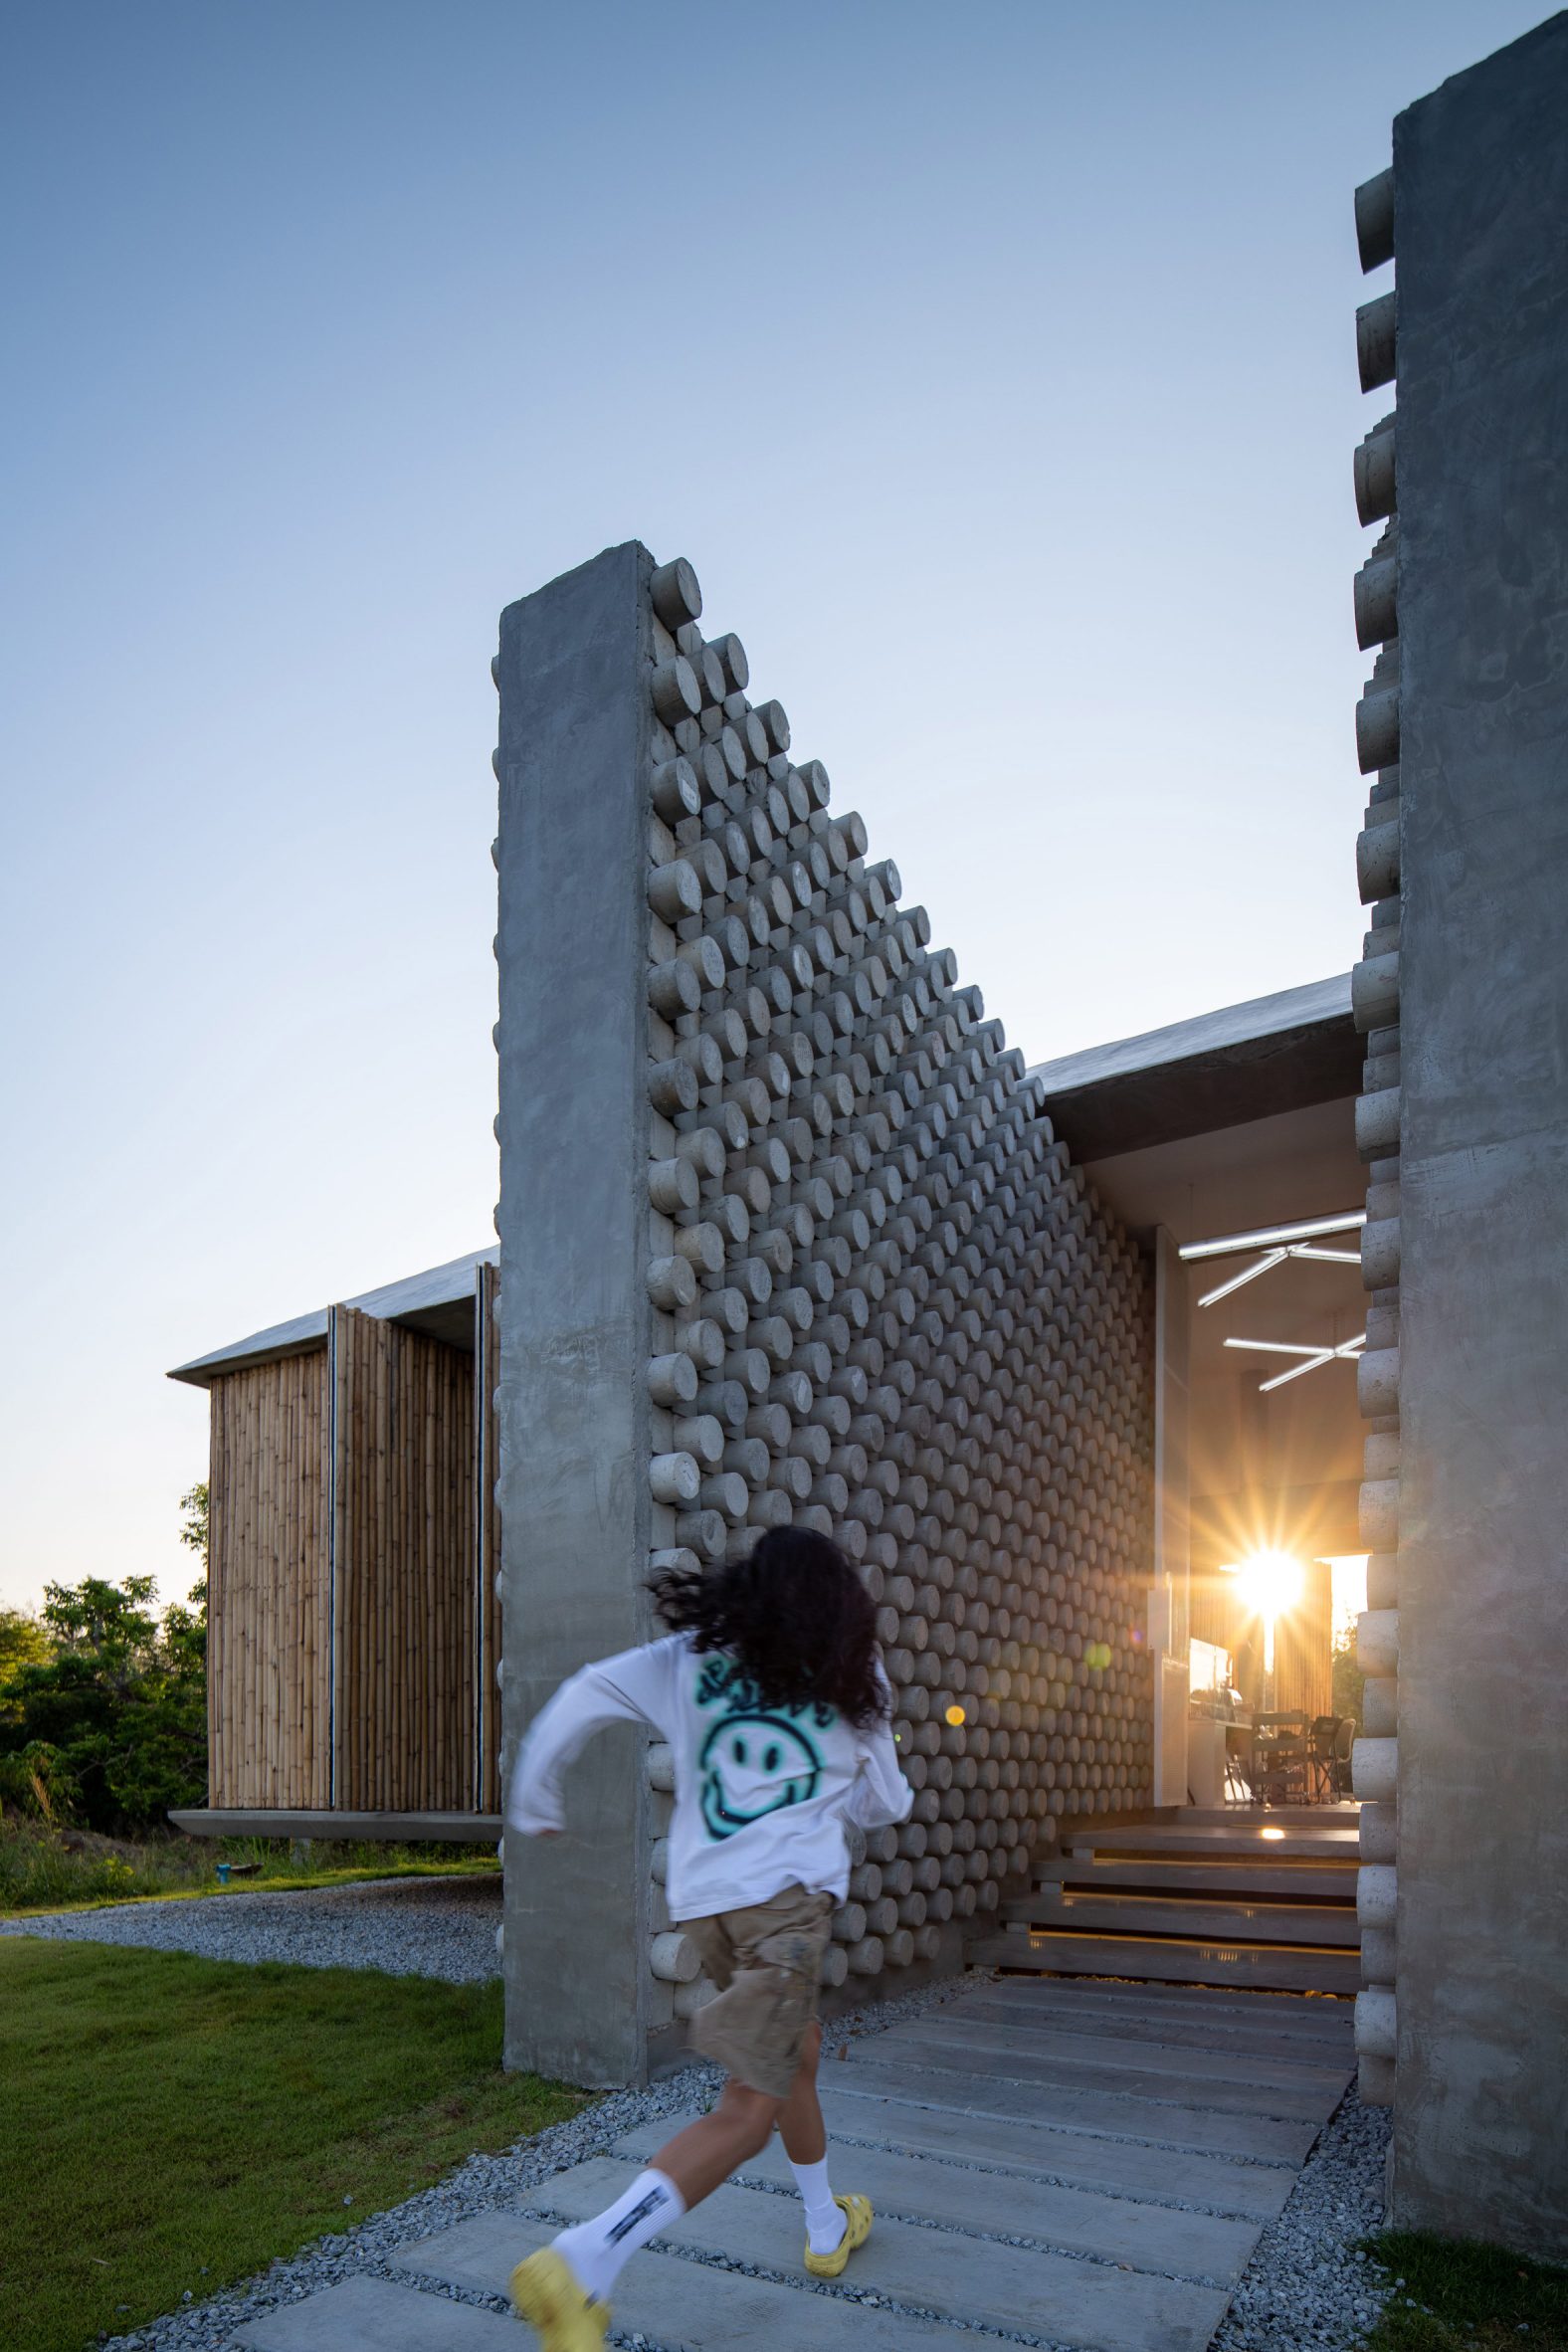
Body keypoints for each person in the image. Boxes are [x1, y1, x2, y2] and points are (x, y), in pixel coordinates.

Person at [505, 1523, 912, 2351]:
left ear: (749, 1587)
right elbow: (888, 1802)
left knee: (795, 2052)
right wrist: (848, 1799)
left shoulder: (693, 1656)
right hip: (788, 1914)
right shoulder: (850, 1670)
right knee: (747, 2108)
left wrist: (535, 1798)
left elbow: (586, 1690)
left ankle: (825, 2224)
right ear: (840, 1601)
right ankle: (583, 2262)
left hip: (705, 1908)